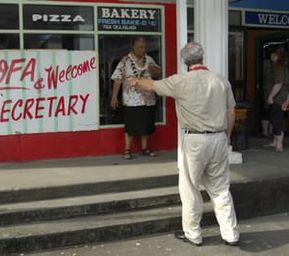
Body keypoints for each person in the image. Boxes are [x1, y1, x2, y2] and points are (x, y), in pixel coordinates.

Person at [128, 42, 240, 246]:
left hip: (195, 140)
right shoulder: (220, 80)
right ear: (202, 57)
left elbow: (152, 85)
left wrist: (134, 80)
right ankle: (231, 234)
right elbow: (231, 111)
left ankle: (193, 234)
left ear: (185, 61)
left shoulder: (180, 81)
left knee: (190, 188)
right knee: (221, 188)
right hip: (218, 138)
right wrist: (227, 135)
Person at [110, 37, 161, 159]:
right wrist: (114, 97)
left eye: (144, 47)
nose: (143, 50)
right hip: (131, 100)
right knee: (131, 125)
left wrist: (154, 71)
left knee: (146, 124)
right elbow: (117, 79)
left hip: (147, 99)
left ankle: (144, 148)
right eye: (140, 47)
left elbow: (157, 74)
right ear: (133, 47)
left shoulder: (149, 59)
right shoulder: (125, 61)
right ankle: (127, 149)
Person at [265, 48, 289, 152]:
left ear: (276, 56)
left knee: (277, 120)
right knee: (275, 119)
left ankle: (279, 144)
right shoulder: (282, 66)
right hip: (282, 98)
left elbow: (278, 84)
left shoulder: (279, 67)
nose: (271, 57)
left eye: (272, 55)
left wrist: (271, 97)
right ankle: (275, 142)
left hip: (278, 99)